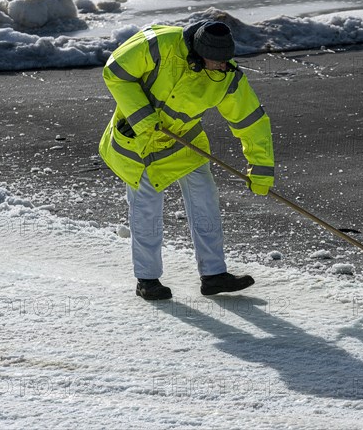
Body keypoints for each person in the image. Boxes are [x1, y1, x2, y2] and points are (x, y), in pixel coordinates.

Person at [99, 20, 275, 300]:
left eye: (225, 61)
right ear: (196, 54)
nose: (222, 67)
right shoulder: (159, 44)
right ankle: (147, 280)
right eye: (215, 62)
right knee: (146, 207)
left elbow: (251, 121)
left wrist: (261, 170)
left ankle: (214, 275)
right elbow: (116, 72)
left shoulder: (227, 74)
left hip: (184, 140)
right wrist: (143, 118)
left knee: (205, 196)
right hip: (139, 139)